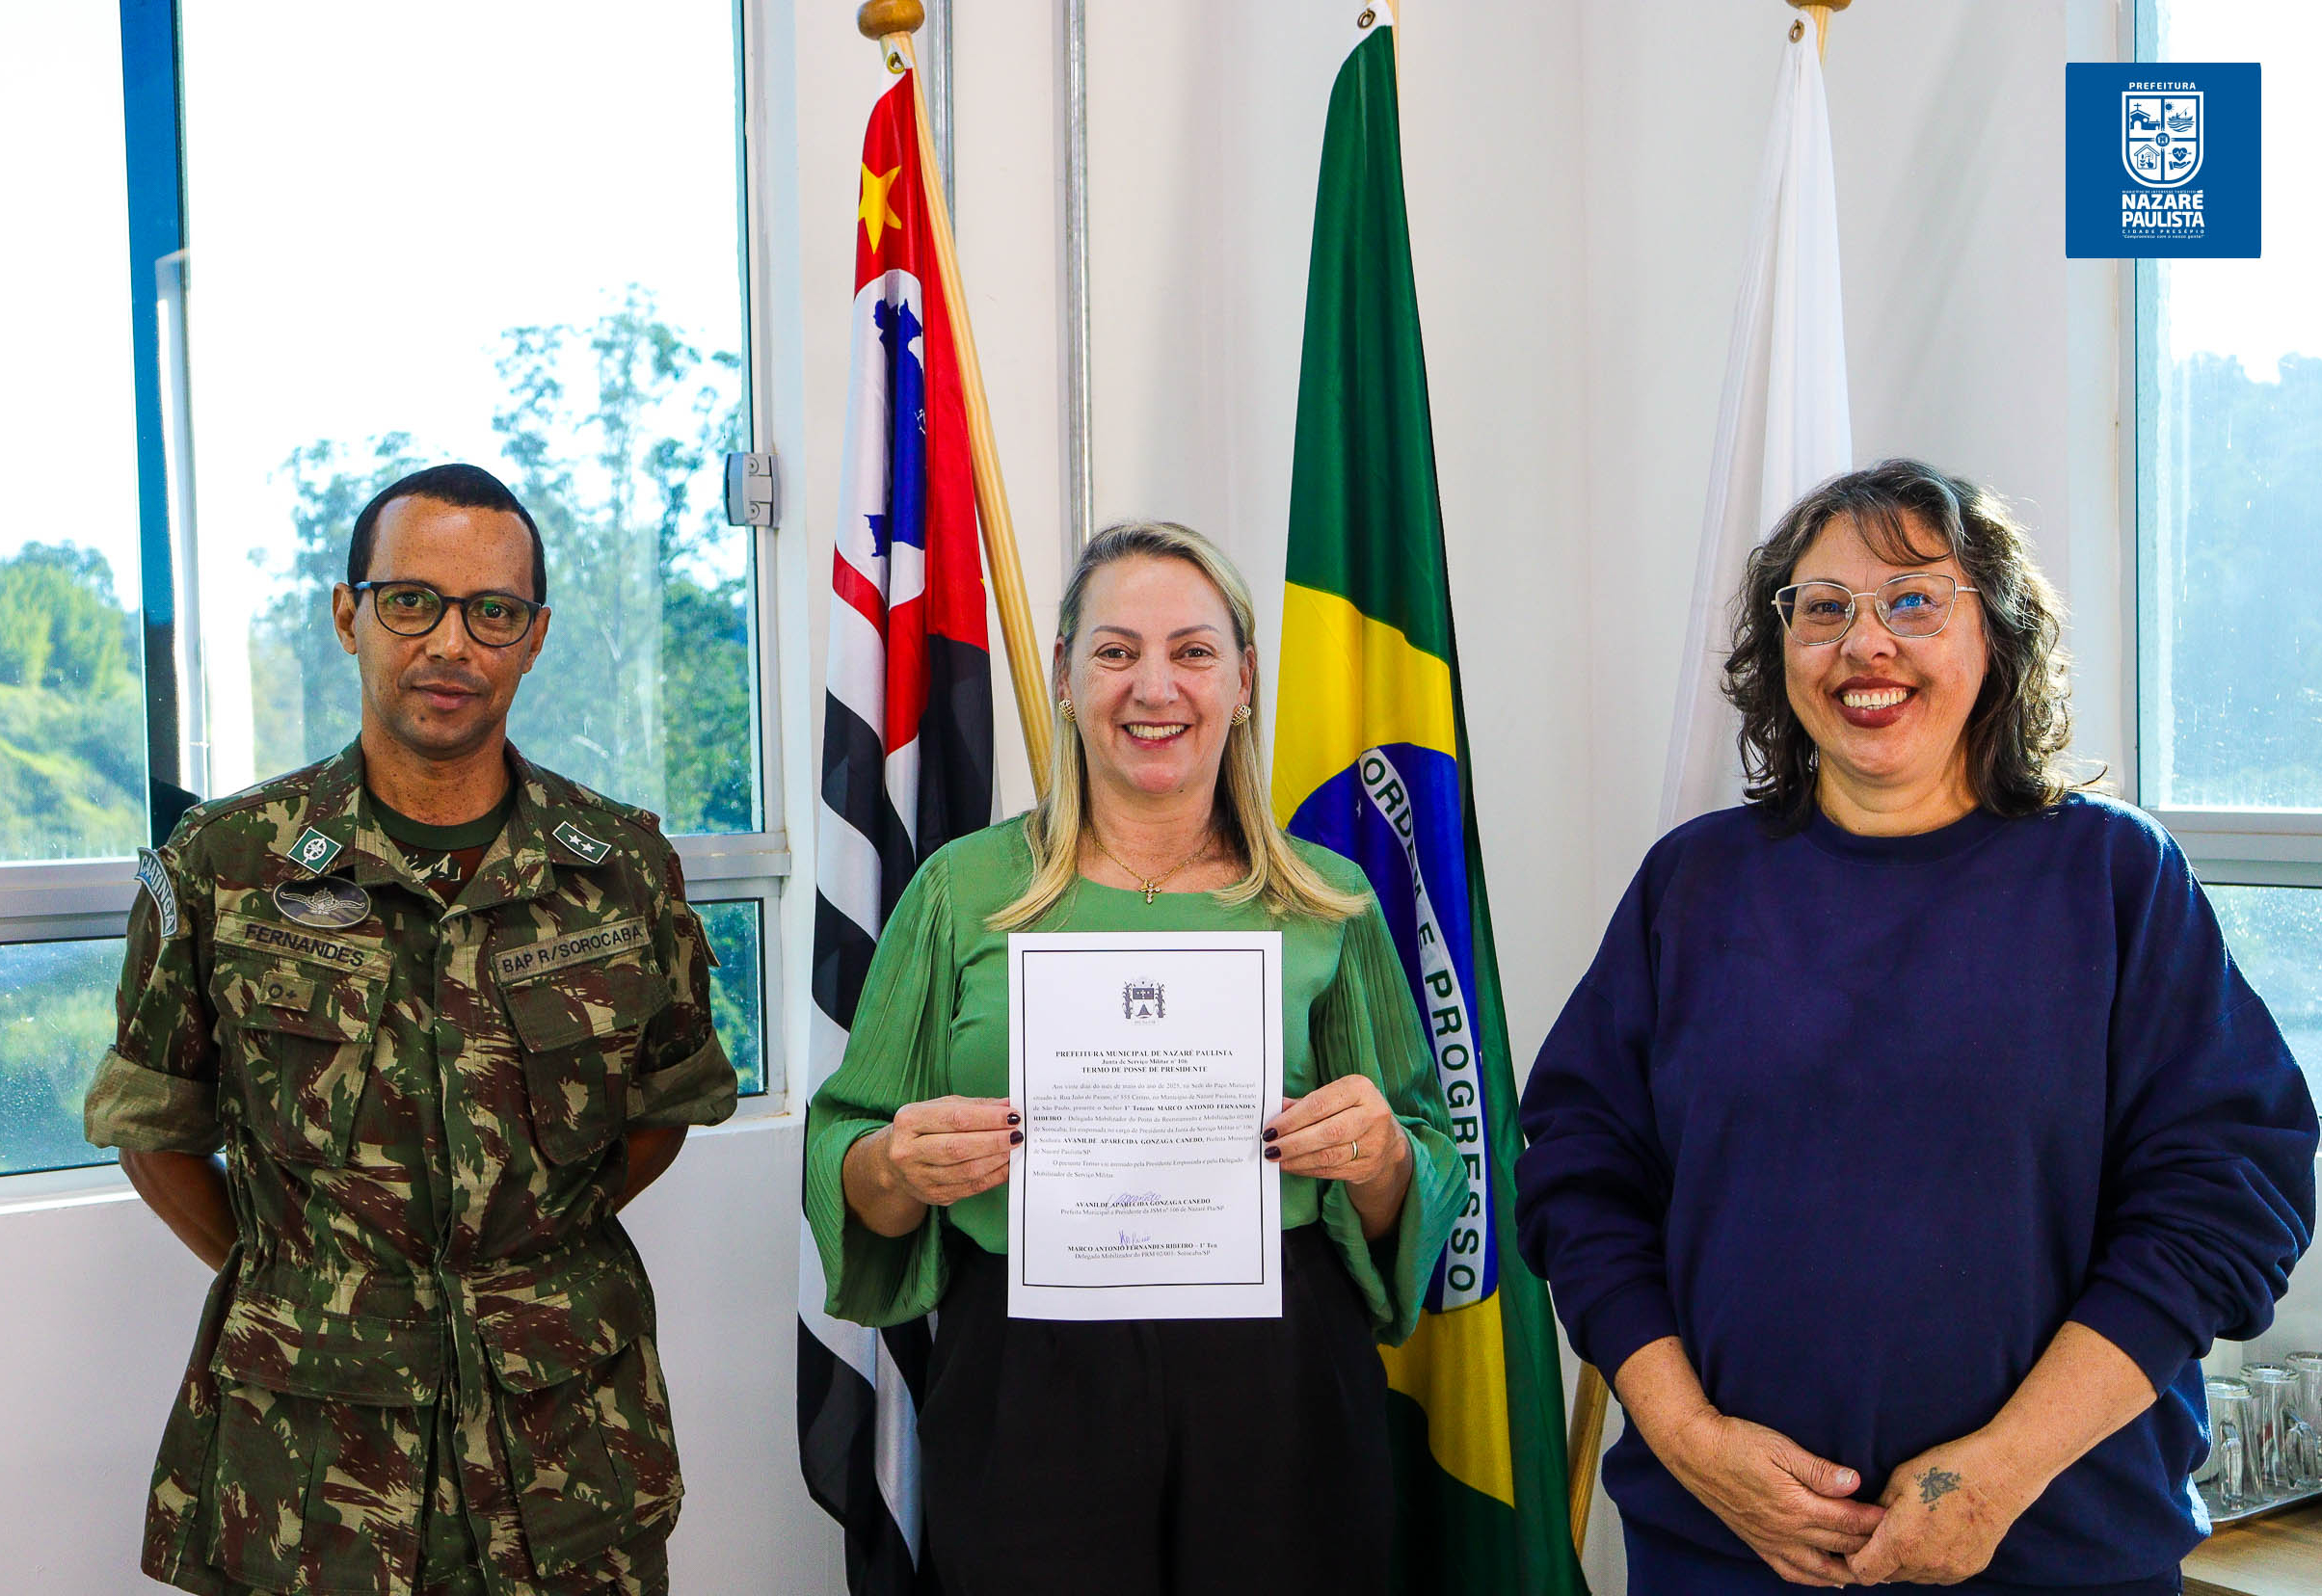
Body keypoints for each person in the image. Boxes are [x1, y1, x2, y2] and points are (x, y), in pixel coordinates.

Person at [1516, 459, 2317, 1593]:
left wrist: (1998, 1473)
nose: (1865, 644)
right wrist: (1694, 1442)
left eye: (1913, 601)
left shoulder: (2113, 876)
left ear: (1993, 634)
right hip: (1726, 1553)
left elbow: (2228, 1198)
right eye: (1823, 608)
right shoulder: (1690, 887)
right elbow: (1581, 1183)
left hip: (2054, 1548)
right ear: (1780, 649)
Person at [84, 464, 736, 1596]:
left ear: (533, 639)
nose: (451, 644)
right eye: (410, 602)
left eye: (493, 613)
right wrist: (310, 1279)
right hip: (310, 1468)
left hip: (566, 1456)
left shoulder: (621, 869)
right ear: (349, 615)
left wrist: (509, 1259)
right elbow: (157, 1126)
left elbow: (660, 1113)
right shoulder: (228, 867)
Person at [804, 520, 1465, 1595]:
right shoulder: (962, 892)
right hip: (1028, 1372)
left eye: (1192, 652)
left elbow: (1423, 1164)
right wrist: (893, 1166)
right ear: (1063, 676)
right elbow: (845, 1146)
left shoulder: (1328, 899)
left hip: (1280, 1380)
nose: (1153, 686)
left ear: (1244, 681)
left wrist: (1379, 1156)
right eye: (1115, 652)